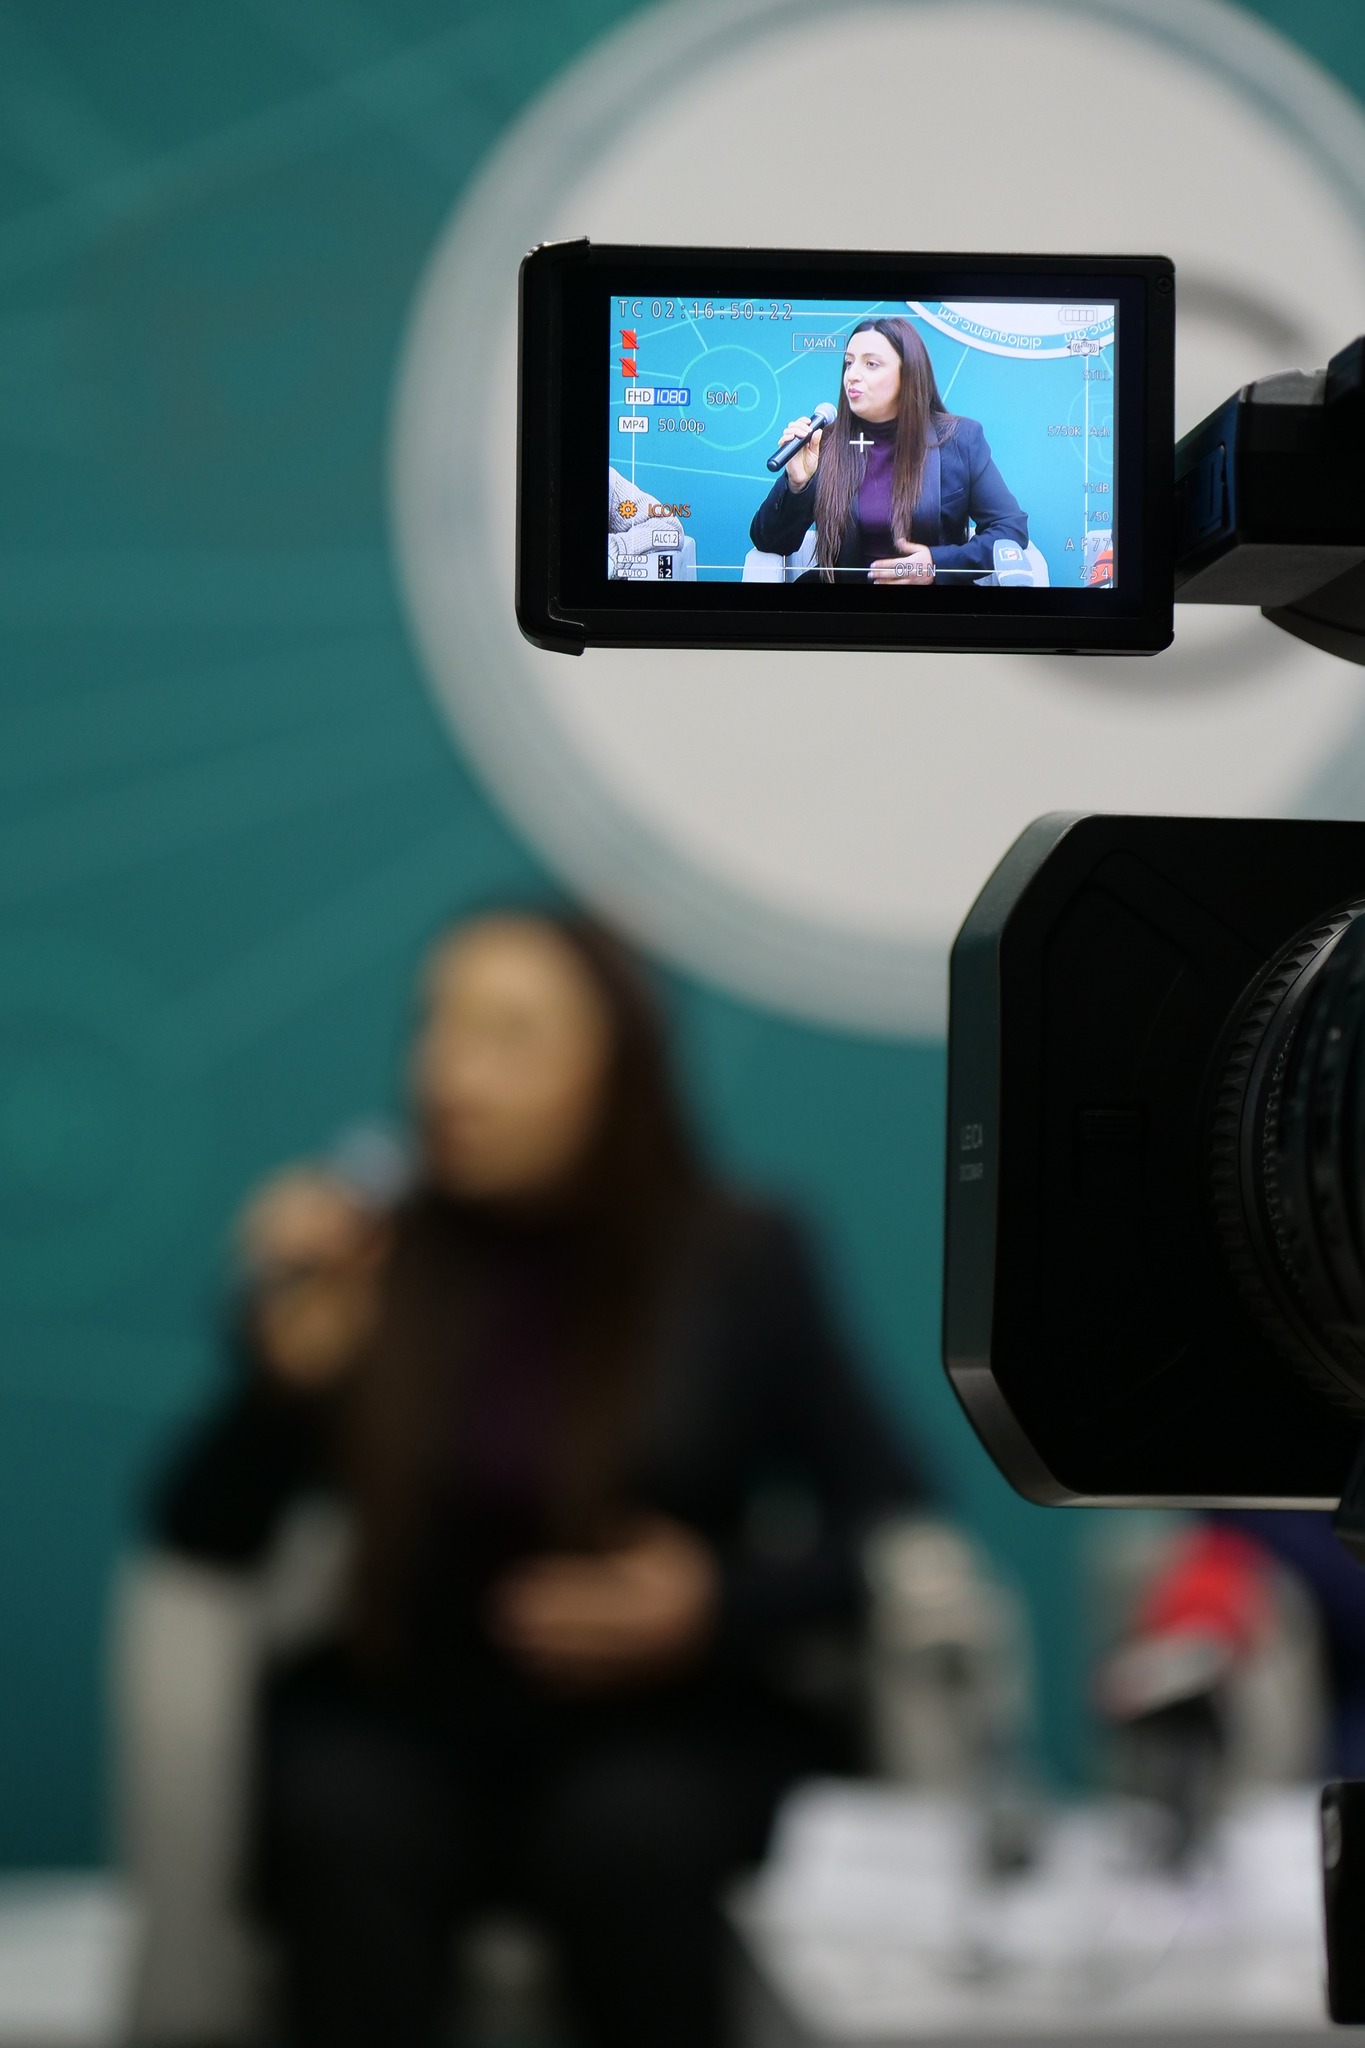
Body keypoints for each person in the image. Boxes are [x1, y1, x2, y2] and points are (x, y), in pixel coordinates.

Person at [152, 909, 921, 2048]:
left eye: (509, 1037)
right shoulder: (370, 1256)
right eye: (439, 1027)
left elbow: (891, 1526)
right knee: (339, 1824)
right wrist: (283, 1383)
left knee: (631, 1839)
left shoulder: (739, 1256)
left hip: (660, 1724)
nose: (451, 1073)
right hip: (409, 1707)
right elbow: (200, 1532)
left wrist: (714, 1601)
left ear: (617, 1071)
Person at [749, 316, 1027, 585]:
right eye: (849, 363)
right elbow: (770, 542)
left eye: (871, 364)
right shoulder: (825, 441)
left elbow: (1010, 529)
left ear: (908, 374)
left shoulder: (960, 439)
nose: (852, 375)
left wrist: (937, 564)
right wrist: (797, 485)